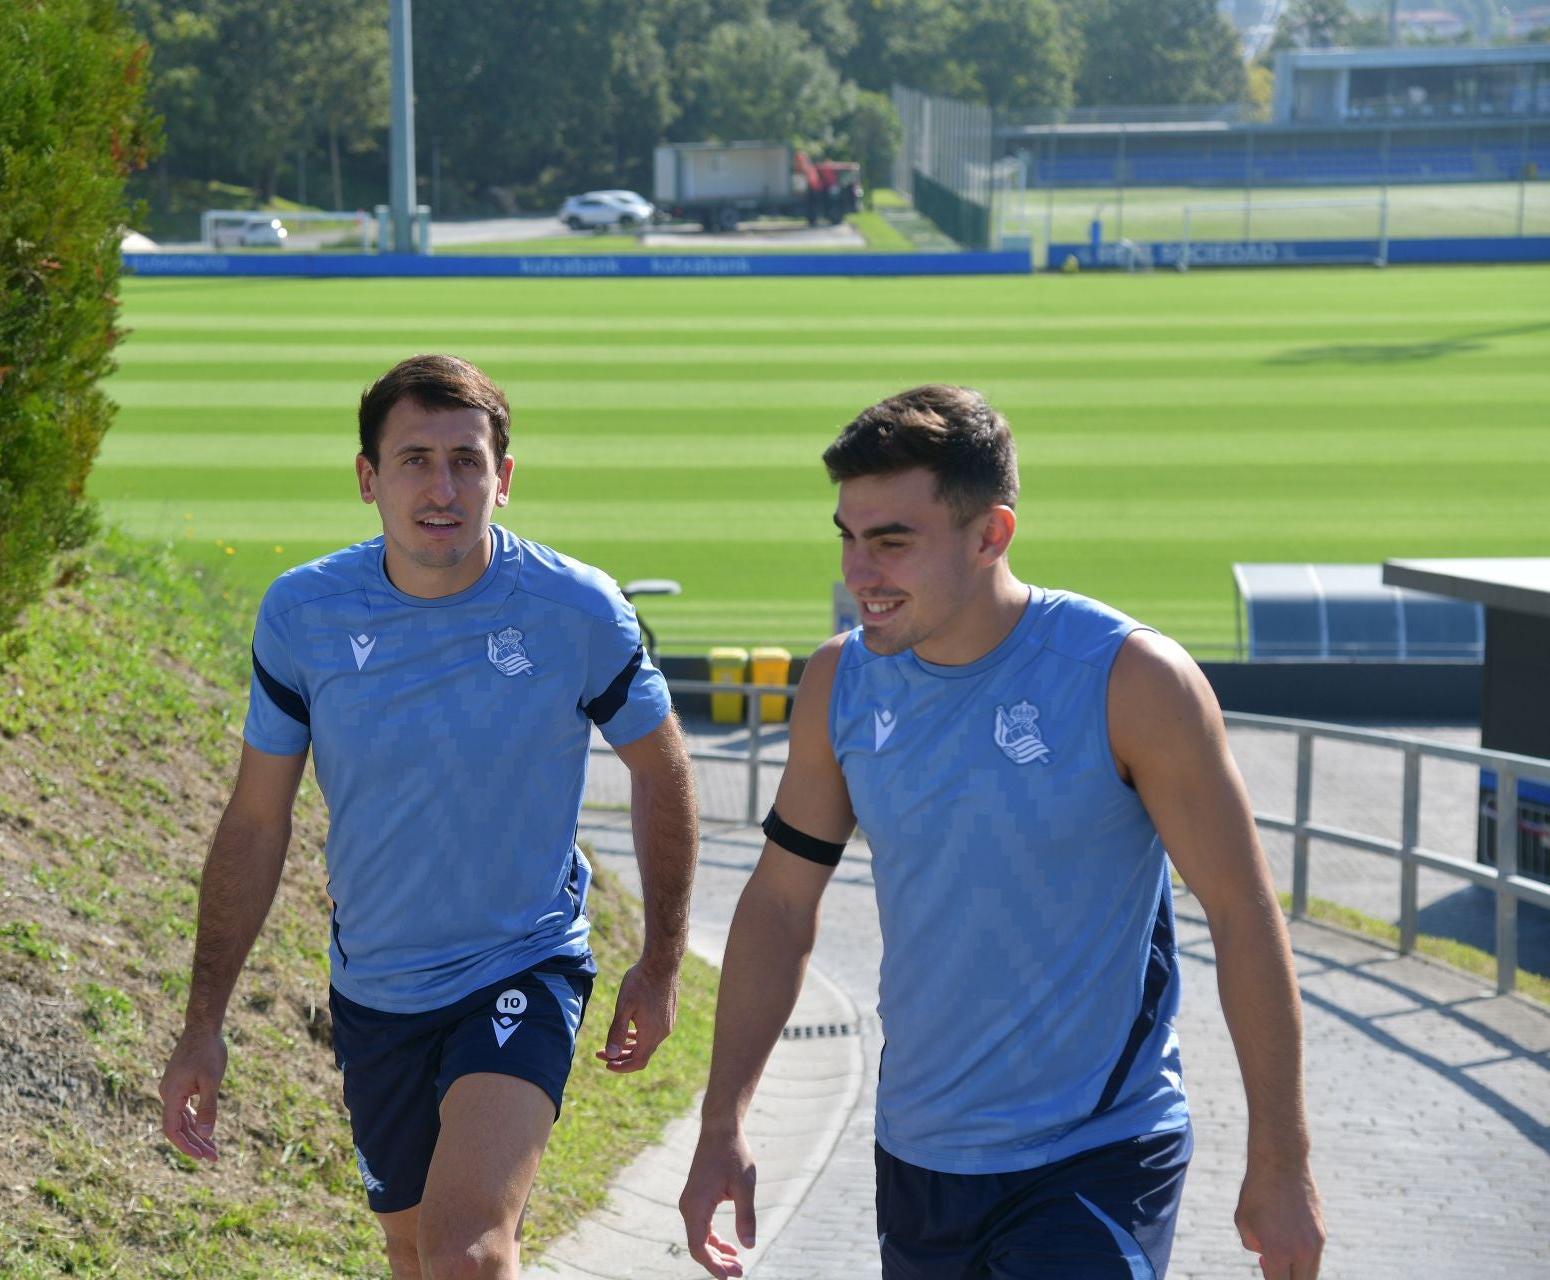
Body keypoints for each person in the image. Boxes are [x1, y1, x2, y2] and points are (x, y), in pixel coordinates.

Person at [679, 385, 1325, 1280]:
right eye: (848, 538)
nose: (859, 573)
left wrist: (1282, 1162)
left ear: (991, 535)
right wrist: (723, 1121)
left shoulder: (1132, 680)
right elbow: (782, 905)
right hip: (919, 1156)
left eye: (892, 542)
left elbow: (1243, 915)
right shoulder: (839, 685)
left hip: (1098, 1153)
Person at [161, 354, 699, 1279]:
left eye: (466, 461)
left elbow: (662, 772)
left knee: (468, 1252)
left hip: (521, 963)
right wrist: (202, 1021)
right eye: (415, 460)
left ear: (504, 477)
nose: (442, 489)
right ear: (368, 477)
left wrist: (660, 963)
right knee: (411, 1252)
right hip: (376, 992)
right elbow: (255, 822)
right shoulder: (303, 614)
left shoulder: (576, 609)